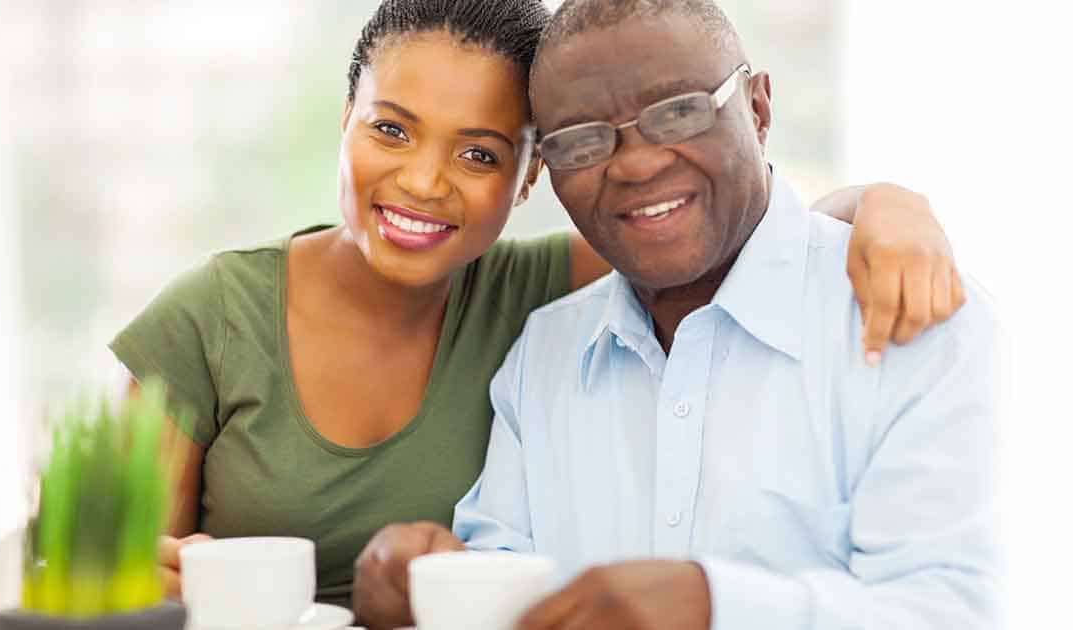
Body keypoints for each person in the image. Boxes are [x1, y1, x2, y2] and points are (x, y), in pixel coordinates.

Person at [113, 0, 966, 610]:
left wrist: (886, 204)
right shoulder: (215, 315)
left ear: (531, 179)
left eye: (479, 154)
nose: (422, 181)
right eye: (390, 129)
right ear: (345, 121)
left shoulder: (544, 293)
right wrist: (143, 575)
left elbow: (730, 229)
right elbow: (94, 568)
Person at [351, 1, 1000, 628]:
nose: (637, 163)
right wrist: (431, 588)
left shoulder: (915, 313)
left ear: (758, 107)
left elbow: (959, 608)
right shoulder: (544, 350)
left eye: (680, 112)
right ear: (545, 171)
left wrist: (716, 606)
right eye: (583, 141)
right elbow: (505, 574)